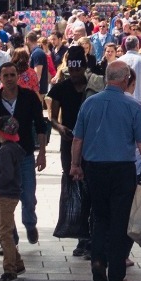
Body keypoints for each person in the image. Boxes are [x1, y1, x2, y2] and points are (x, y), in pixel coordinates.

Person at [70, 60, 141, 281]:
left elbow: (78, 138)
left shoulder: (90, 103)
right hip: (122, 169)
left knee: (99, 216)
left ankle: (98, 260)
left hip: (95, 168)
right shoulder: (134, 106)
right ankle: (116, 273)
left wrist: (75, 165)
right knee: (120, 220)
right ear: (125, 79)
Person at [0, 61, 48, 253]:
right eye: (6, 76)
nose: (9, 79)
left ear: (17, 77)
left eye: (12, 75)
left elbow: (40, 127)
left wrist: (42, 153)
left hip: (25, 154)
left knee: (28, 196)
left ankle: (30, 223)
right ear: (0, 78)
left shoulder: (29, 98)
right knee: (5, 199)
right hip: (3, 157)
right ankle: (10, 239)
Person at [49, 47, 93, 258]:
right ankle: (81, 234)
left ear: (84, 67)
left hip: (91, 144)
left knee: (91, 187)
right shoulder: (60, 88)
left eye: (78, 70)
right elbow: (52, 118)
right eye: (72, 70)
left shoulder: (93, 88)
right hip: (69, 142)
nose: (75, 75)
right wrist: (60, 128)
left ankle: (90, 234)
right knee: (74, 186)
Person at [0, 114, 28, 281]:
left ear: (1, 132)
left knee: (4, 233)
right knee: (6, 230)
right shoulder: (14, 148)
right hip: (9, 194)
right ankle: (17, 263)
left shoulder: (5, 150)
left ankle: (9, 270)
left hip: (5, 195)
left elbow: (6, 175)